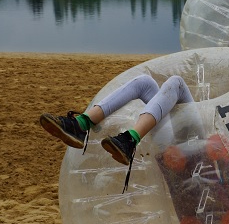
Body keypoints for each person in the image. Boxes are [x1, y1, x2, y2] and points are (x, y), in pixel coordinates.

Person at [40, 74, 195, 190]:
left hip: (201, 154)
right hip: (185, 148)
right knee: (145, 83)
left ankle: (131, 140)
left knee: (177, 83)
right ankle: (81, 124)